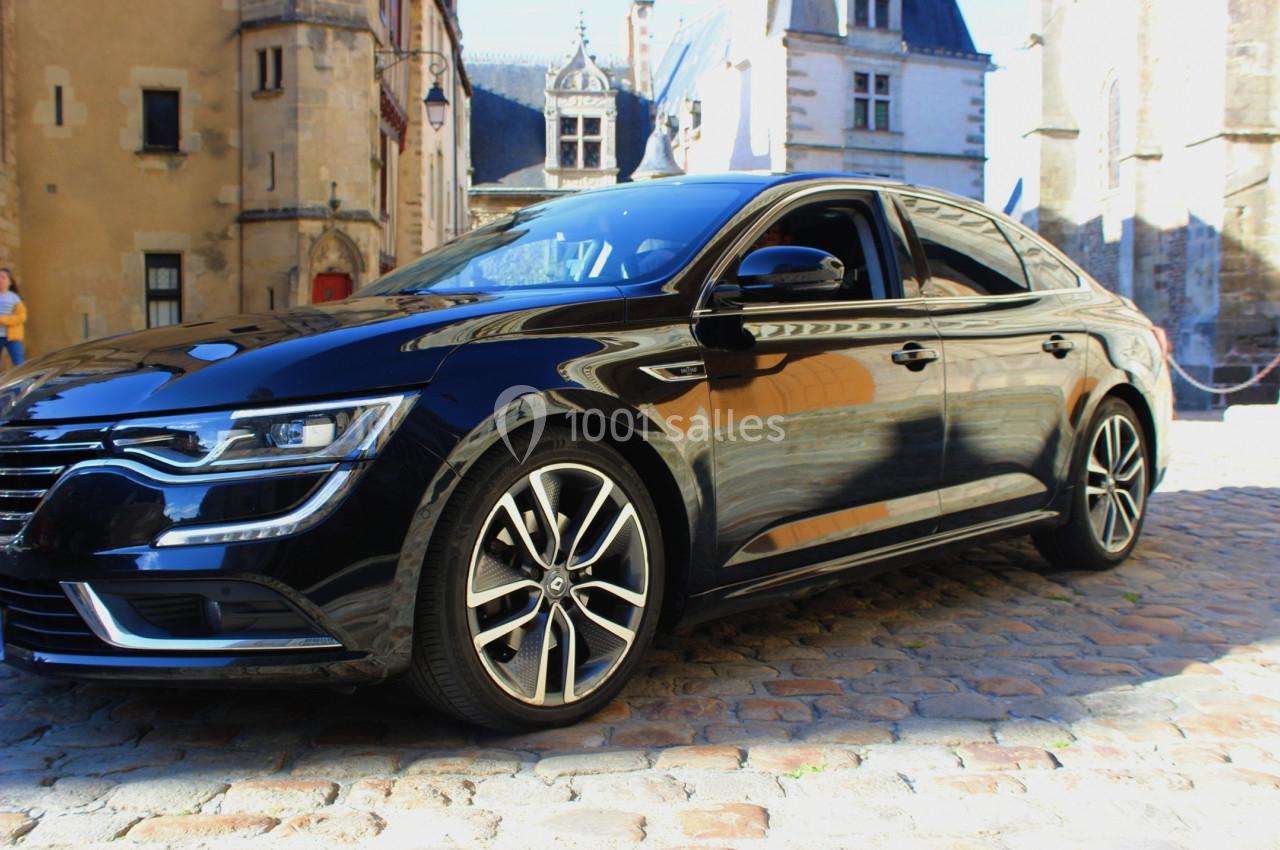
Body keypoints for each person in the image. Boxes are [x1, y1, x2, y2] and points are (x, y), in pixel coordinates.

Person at [0, 268, 27, 368]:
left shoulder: (15, 298)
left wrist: (2, 319)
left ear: (10, 281)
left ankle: (24, 383)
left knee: (19, 363)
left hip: (13, 337)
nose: (0, 280)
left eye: (3, 277)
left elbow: (21, 317)